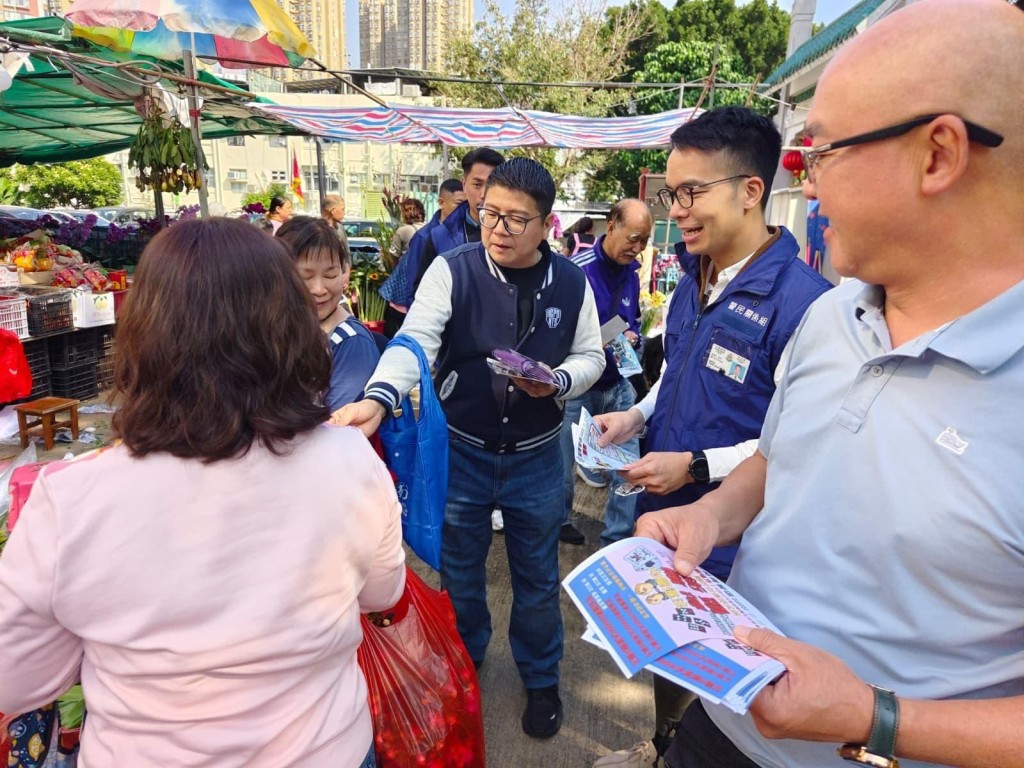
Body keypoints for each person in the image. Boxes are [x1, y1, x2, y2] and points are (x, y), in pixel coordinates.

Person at [636, 2, 1024, 767]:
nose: (807, 190)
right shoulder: (833, 313)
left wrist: (878, 719)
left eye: (822, 155)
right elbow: (779, 462)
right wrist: (711, 517)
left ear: (937, 154)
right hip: (720, 724)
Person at [0, 218, 406, 768]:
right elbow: (382, 594)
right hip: (327, 748)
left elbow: (17, 679)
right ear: (288, 327)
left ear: (143, 332)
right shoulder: (348, 460)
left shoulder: (71, 499)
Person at [592, 106, 831, 768]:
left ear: (750, 190)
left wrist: (696, 466)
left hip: (734, 547)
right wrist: (634, 419)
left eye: (693, 192)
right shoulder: (690, 281)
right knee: (666, 657)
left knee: (723, 687)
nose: (680, 210)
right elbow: (674, 380)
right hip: (665, 521)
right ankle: (662, 744)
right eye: (675, 193)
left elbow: (799, 445)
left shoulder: (806, 305)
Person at [334, 158, 605, 741]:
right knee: (460, 568)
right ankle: (467, 658)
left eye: (515, 219)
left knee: (536, 574)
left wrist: (559, 381)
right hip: (463, 450)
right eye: (489, 214)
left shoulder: (572, 282)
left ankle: (540, 677)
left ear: (546, 225)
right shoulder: (452, 271)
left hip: (536, 453)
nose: (498, 229)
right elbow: (415, 341)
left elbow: (592, 356)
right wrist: (380, 397)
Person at [558, 198, 653, 547]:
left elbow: (636, 323)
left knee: (627, 468)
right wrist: (611, 334)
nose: (638, 248)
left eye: (644, 240)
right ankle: (559, 522)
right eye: (633, 237)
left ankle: (617, 537)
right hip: (580, 387)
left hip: (619, 387)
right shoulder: (576, 271)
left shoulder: (632, 275)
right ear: (611, 225)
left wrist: (634, 337)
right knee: (564, 465)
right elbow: (559, 333)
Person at [277, 216, 381, 411]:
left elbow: (337, 428)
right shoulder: (276, 326)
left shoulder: (350, 342)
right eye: (305, 277)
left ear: (345, 273)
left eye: (330, 275)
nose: (319, 289)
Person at [412, 147, 506, 291]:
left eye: (491, 185)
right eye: (477, 184)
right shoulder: (440, 236)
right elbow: (422, 290)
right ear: (464, 185)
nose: (483, 194)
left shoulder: (515, 234)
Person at [384, 198, 428, 337]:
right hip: (424, 279)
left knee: (397, 319)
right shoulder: (430, 229)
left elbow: (393, 254)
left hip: (404, 281)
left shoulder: (403, 231)